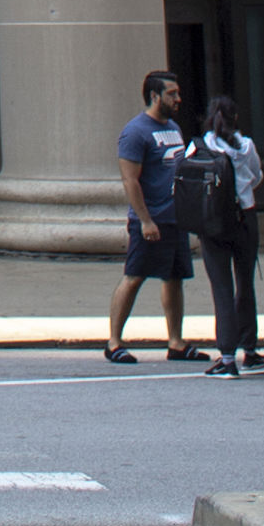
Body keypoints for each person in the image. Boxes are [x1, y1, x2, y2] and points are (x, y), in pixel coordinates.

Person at [100, 68, 195, 364]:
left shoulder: (174, 128)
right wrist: (145, 220)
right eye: (172, 93)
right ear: (154, 96)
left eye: (177, 93)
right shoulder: (135, 132)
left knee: (175, 277)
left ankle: (176, 342)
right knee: (134, 276)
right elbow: (130, 180)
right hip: (150, 219)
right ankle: (114, 342)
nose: (178, 98)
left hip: (175, 218)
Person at [181, 92, 264, 376]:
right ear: (236, 118)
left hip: (214, 221)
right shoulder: (246, 146)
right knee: (245, 284)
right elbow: (256, 177)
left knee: (221, 287)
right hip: (245, 218)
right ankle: (250, 350)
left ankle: (227, 357)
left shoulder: (200, 145)